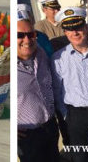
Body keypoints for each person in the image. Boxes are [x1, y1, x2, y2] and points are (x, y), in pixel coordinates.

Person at [51, 7, 88, 162]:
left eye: (78, 27)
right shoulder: (58, 58)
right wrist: (66, 115)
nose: (74, 33)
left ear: (86, 28)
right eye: (69, 30)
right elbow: (57, 90)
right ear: (65, 32)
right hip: (75, 114)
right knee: (80, 157)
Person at [17, 17, 60, 162]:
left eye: (31, 34)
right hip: (27, 135)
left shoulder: (40, 53)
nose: (27, 39)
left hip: (50, 127)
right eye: (20, 35)